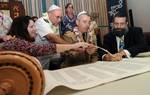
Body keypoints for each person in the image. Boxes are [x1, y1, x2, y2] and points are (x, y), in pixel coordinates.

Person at [0, 16, 94, 69]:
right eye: (32, 27)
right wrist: (74, 46)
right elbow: (44, 49)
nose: (36, 30)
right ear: (22, 29)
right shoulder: (16, 42)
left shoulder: (17, 41)